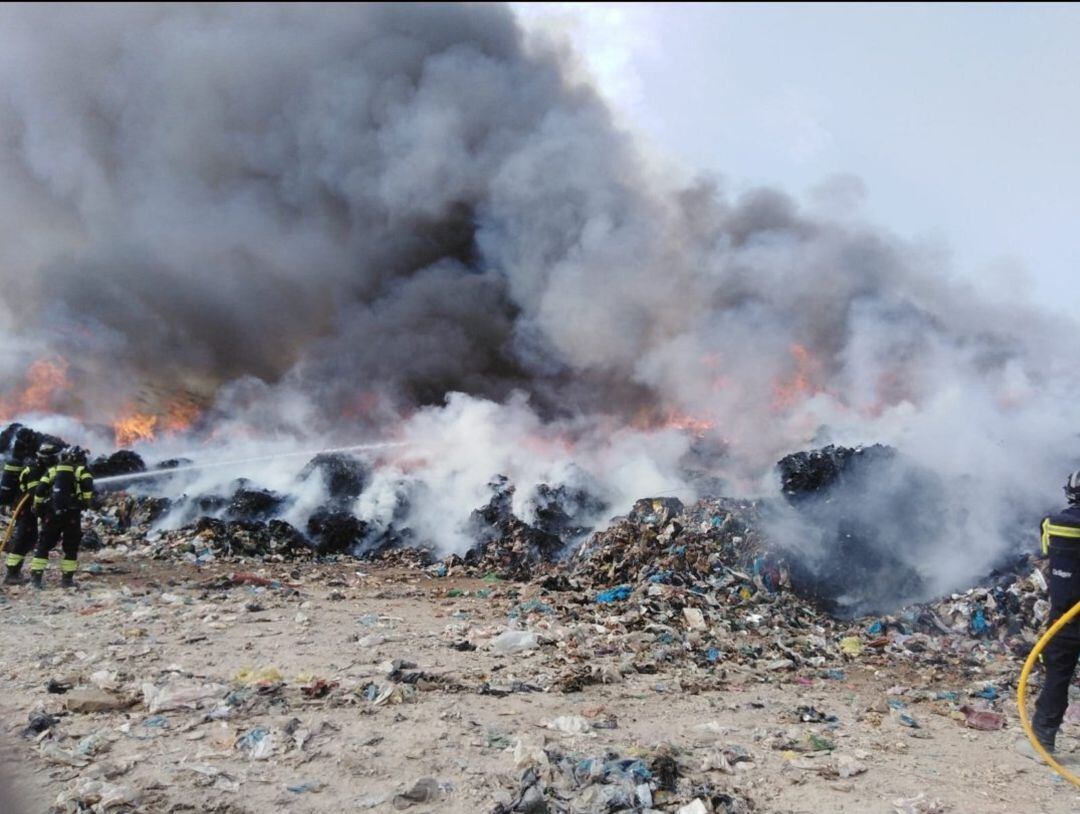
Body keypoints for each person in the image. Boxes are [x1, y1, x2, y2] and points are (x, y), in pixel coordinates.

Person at [1021, 470, 1080, 759]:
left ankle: (1042, 741)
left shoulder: (1052, 524)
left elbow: (1046, 551)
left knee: (1057, 677)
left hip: (1063, 618)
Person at [28, 446, 94, 589]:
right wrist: (86, 502)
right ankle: (67, 581)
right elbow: (88, 486)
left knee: (43, 545)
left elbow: (39, 490)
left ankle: (36, 579)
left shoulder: (53, 470)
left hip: (52, 514)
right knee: (70, 547)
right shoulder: (81, 470)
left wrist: (38, 507)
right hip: (72, 515)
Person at [3, 443, 59, 584]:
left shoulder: (41, 468)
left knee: (30, 538)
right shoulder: (34, 470)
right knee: (24, 538)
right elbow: (34, 493)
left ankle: (14, 571)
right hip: (25, 509)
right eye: (52, 457)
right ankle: (11, 574)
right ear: (45, 458)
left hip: (30, 509)